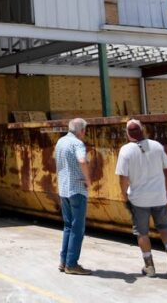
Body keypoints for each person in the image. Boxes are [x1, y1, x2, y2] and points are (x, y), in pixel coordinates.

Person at [115, 119, 167, 279]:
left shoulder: (125, 150)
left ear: (127, 134)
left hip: (138, 199)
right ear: (142, 129)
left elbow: (123, 177)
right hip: (159, 196)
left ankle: (149, 266)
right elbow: (166, 165)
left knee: (142, 232)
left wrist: (124, 195)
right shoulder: (157, 146)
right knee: (165, 227)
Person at [54, 117, 92, 275]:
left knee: (68, 226)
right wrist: (88, 179)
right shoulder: (77, 143)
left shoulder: (60, 142)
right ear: (81, 131)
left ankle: (64, 261)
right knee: (77, 228)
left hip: (63, 189)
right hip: (77, 189)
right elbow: (82, 160)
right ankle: (71, 264)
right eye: (84, 131)